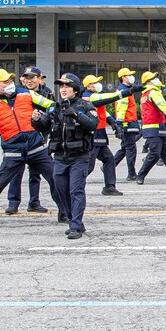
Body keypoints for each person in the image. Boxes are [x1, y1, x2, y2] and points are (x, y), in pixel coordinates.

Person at [0, 69, 60, 226]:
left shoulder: (26, 94)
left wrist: (46, 116)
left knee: (56, 179)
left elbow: (51, 105)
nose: (9, 84)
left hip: (36, 148)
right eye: (5, 82)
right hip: (13, 152)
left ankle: (65, 212)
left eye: (10, 81)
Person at [49, 73, 100, 239]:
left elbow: (93, 124)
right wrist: (36, 120)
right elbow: (44, 125)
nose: (63, 89)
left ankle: (75, 226)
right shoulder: (57, 106)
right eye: (61, 86)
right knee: (61, 189)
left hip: (79, 156)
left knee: (75, 190)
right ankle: (75, 220)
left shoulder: (86, 106)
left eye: (67, 86)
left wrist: (76, 114)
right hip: (60, 157)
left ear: (76, 90)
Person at [6, 66, 51, 213]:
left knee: (35, 173)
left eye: (32, 77)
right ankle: (13, 203)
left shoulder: (47, 93)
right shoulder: (17, 93)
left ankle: (34, 202)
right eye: (26, 77)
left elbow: (52, 112)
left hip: (39, 137)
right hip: (20, 138)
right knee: (16, 172)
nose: (29, 80)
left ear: (40, 78)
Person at [82, 75, 123, 196]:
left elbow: (103, 111)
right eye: (95, 83)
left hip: (100, 133)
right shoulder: (88, 97)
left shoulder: (94, 97)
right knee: (88, 165)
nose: (98, 84)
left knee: (109, 159)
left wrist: (113, 122)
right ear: (88, 86)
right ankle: (73, 184)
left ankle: (109, 186)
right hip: (92, 134)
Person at [110, 68, 141, 181]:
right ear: (123, 77)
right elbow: (121, 108)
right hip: (128, 123)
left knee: (125, 148)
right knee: (130, 149)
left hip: (128, 122)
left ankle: (109, 166)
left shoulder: (126, 90)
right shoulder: (123, 91)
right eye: (129, 75)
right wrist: (120, 124)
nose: (131, 77)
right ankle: (131, 173)